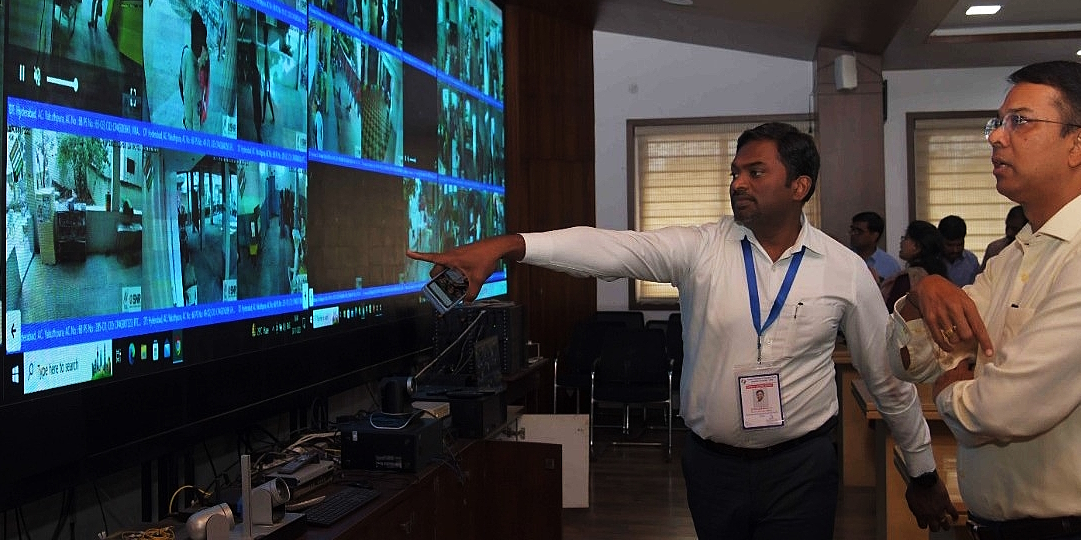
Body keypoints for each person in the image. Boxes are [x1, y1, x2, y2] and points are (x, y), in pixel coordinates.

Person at [409, 122, 954, 540]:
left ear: (800, 186)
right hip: (711, 468)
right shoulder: (700, 249)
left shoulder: (843, 269)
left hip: (801, 469)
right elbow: (610, 249)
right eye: (734, 172)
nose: (737, 183)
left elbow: (887, 378)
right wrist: (510, 246)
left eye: (754, 172)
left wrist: (924, 472)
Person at [886, 60, 1081, 540]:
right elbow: (903, 362)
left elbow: (1001, 409)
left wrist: (949, 383)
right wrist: (921, 297)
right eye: (997, 123)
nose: (996, 137)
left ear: (1079, 143)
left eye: (1019, 121)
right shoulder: (1019, 252)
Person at [884, 221, 946, 313]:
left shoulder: (906, 279)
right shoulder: (940, 274)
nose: (902, 242)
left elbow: (891, 313)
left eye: (906, 238)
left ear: (916, 246)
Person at [849, 211, 903, 281]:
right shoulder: (845, 257)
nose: (853, 234)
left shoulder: (890, 265)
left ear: (874, 235)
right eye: (852, 230)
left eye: (859, 231)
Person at [937, 215, 981, 286]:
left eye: (959, 245)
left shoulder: (972, 261)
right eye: (950, 245)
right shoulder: (933, 260)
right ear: (940, 240)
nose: (955, 250)